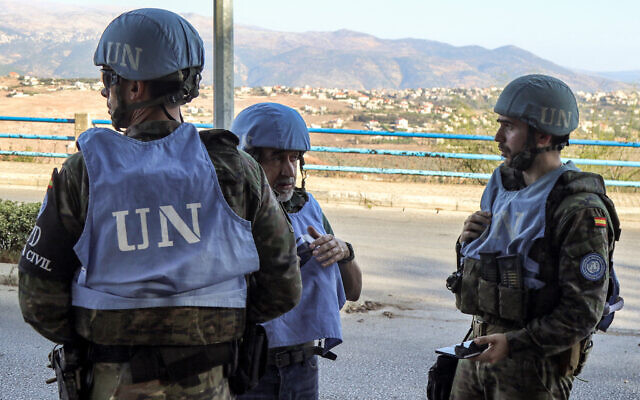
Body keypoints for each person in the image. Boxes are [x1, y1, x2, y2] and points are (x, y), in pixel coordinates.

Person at [18, 9, 301, 400]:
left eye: (109, 78)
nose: (104, 91)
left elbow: (38, 300)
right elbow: (283, 285)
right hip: (210, 385)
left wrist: (102, 340)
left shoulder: (84, 173)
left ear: (134, 87)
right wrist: (212, 328)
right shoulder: (236, 170)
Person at [448, 74, 621, 400]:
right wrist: (468, 241)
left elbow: (583, 312)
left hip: (533, 368)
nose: (498, 137)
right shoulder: (505, 187)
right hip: (480, 348)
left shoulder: (579, 209)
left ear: (542, 135)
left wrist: (514, 343)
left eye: (509, 127)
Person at [231, 103, 363, 400]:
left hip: (302, 368)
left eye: (294, 158)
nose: (289, 170)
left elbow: (353, 292)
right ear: (248, 161)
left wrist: (345, 252)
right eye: (277, 158)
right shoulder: (231, 212)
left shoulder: (307, 208)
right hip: (247, 368)